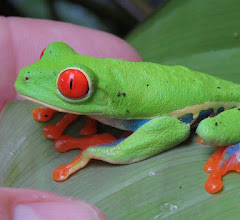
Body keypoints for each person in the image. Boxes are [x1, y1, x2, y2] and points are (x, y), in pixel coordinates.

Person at [0, 17, 142, 220]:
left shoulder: (126, 111)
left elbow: (172, 127)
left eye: (71, 84)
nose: (27, 73)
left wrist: (110, 149)